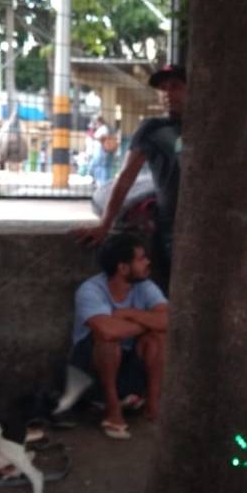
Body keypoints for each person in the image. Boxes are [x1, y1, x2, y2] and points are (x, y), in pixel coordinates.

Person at [73, 64, 186, 291]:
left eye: (175, 86)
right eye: (163, 88)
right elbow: (125, 178)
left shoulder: (210, 128)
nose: (167, 94)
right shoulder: (153, 129)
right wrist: (105, 224)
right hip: (173, 228)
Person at [70, 233, 168, 440]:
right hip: (91, 371)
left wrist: (129, 314)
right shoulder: (91, 290)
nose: (148, 262)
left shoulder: (144, 287)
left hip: (127, 367)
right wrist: (145, 322)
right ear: (123, 268)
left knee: (157, 338)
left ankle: (152, 404)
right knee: (108, 342)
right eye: (141, 259)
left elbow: (170, 320)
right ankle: (113, 410)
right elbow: (107, 330)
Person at [92, 115, 119, 185]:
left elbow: (102, 137)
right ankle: (101, 182)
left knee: (101, 166)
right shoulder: (103, 128)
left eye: (96, 122)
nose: (96, 124)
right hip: (101, 151)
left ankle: (103, 183)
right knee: (102, 167)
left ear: (99, 122)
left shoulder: (103, 128)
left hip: (102, 151)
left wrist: (95, 138)